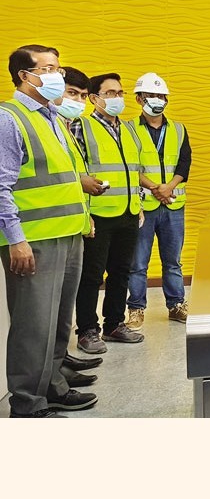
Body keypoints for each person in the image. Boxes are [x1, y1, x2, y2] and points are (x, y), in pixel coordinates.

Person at [0, 45, 97, 416]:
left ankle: (54, 385)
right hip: (33, 240)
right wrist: (16, 240)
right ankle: (27, 402)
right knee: (32, 325)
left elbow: (68, 177)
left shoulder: (52, 117)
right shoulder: (9, 118)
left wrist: (83, 215)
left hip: (68, 232)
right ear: (25, 76)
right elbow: (2, 185)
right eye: (49, 69)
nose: (58, 76)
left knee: (58, 319)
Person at [71, 72, 144, 353]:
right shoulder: (81, 126)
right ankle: (87, 330)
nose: (117, 98)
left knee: (120, 272)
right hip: (97, 214)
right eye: (111, 93)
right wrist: (83, 212)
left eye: (120, 93)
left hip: (127, 211)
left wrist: (137, 204)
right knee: (92, 275)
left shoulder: (129, 129)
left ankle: (115, 324)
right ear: (94, 98)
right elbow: (75, 171)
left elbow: (134, 171)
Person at [124, 72, 192, 332]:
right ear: (139, 99)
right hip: (144, 206)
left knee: (173, 260)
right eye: (151, 96)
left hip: (173, 204)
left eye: (162, 96)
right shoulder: (128, 129)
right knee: (138, 262)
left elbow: (185, 162)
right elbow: (128, 166)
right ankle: (136, 309)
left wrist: (169, 187)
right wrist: (154, 187)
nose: (157, 100)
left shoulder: (178, 128)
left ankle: (176, 305)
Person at [53, 66, 105, 386]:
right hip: (44, 231)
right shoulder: (28, 123)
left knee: (61, 305)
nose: (79, 101)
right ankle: (49, 376)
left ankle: (59, 361)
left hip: (73, 224)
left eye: (84, 96)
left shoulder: (66, 127)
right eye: (73, 93)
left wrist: (86, 217)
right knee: (47, 311)